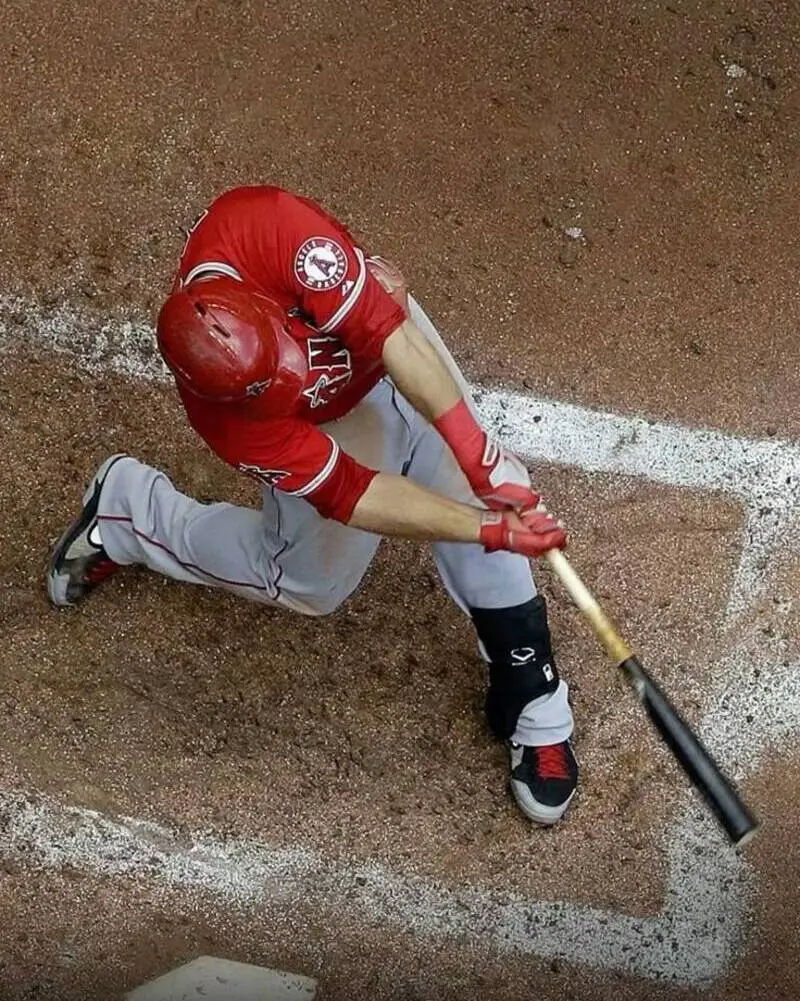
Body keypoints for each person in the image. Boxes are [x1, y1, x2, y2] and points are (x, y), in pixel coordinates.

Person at [46, 185, 579, 825]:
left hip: (387, 346)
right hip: (327, 426)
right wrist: (487, 528)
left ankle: (531, 692)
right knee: (307, 582)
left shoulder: (267, 229)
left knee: (467, 474)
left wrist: (479, 459)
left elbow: (392, 337)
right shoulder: (233, 422)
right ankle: (127, 511)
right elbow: (357, 493)